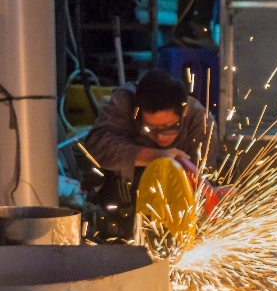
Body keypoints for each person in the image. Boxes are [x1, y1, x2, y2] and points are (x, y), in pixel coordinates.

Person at [85, 68, 218, 240]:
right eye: (151, 128)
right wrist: (156, 156)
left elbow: (203, 183)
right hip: (123, 199)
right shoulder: (125, 101)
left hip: (177, 210)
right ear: (138, 112)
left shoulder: (202, 121)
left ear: (184, 111)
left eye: (170, 127)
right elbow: (96, 144)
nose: (161, 136)